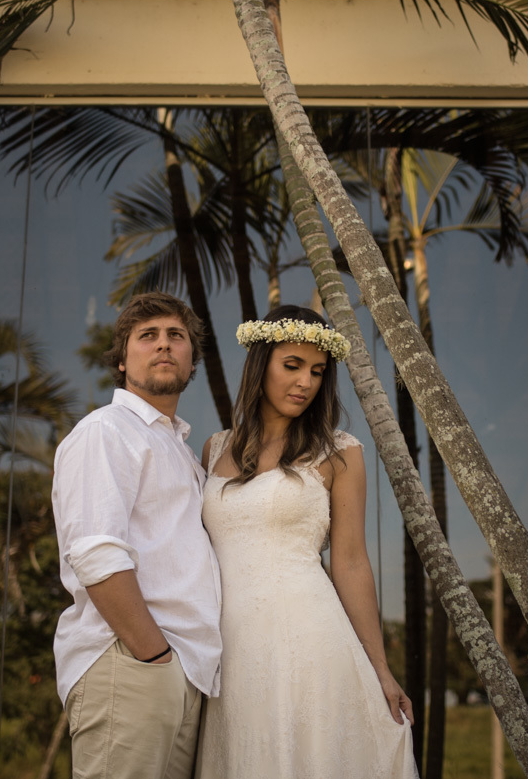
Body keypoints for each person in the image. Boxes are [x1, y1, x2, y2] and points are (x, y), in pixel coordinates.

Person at [196, 305, 418, 779]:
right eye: (291, 365)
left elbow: (352, 562)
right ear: (260, 365)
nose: (305, 382)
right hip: (229, 646)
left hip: (307, 639)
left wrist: (380, 667)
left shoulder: (339, 451)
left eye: (317, 371)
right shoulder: (214, 448)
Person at [51, 291, 222, 779]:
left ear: (192, 358)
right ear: (122, 361)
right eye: (148, 336)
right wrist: (153, 656)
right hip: (133, 663)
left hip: (183, 674)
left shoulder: (182, 450)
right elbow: (96, 553)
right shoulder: (105, 431)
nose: (164, 345)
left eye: (176, 336)